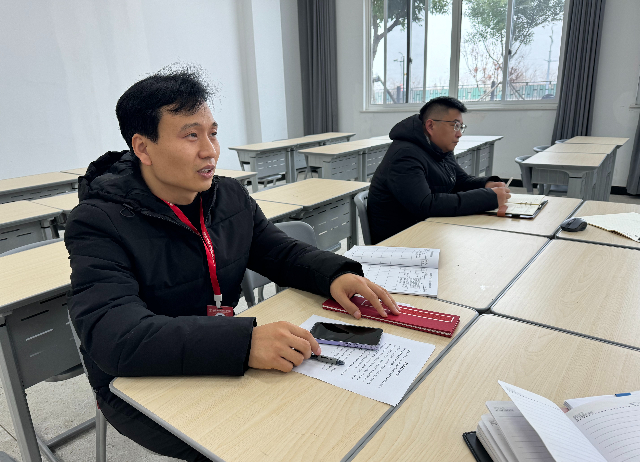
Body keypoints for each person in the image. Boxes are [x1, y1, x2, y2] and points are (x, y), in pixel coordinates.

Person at [64, 67, 399, 462]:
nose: (210, 151)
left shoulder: (228, 197)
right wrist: (244, 342)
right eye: (191, 135)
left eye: (213, 133)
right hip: (137, 379)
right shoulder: (98, 222)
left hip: (217, 352)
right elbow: (115, 336)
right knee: (255, 445)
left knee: (317, 420)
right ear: (143, 148)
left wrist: (335, 274)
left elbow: (279, 252)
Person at [367, 96, 511, 244]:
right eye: (455, 126)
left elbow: (459, 180)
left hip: (427, 231)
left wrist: (486, 185)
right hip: (399, 243)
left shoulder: (440, 148)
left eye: (461, 127)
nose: (459, 133)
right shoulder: (404, 156)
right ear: (430, 126)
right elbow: (426, 205)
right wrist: (488, 197)